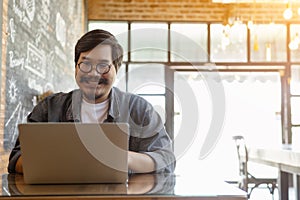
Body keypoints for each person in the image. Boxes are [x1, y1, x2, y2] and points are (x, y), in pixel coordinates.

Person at [7, 29, 176, 174]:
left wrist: (124, 159)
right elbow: (16, 159)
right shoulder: (49, 108)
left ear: (116, 69)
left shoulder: (139, 109)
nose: (94, 74)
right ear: (76, 67)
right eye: (85, 64)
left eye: (103, 66)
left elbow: (166, 159)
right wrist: (62, 164)